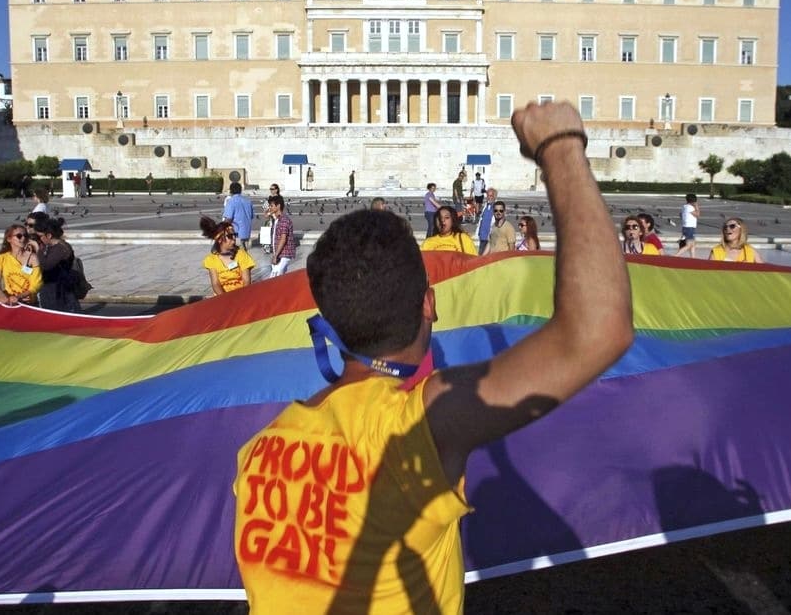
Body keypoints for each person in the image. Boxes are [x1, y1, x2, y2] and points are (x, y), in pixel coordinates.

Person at [232, 100, 633, 613]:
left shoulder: (258, 454)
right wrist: (560, 148)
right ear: (429, 303)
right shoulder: (414, 428)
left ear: (329, 321)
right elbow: (598, 330)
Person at [35, 217, 80, 312]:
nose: (39, 239)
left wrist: (38, 249)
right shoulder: (52, 247)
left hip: (60, 294)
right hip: (53, 291)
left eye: (40, 236)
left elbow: (46, 265)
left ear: (49, 235)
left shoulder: (61, 248)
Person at [200, 218, 255, 294]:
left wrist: (241, 298)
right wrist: (226, 300)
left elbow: (246, 281)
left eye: (234, 235)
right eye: (229, 236)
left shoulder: (241, 255)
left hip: (241, 295)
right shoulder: (211, 260)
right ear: (219, 239)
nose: (234, 239)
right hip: (222, 298)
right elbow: (215, 284)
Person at [0, 224, 42, 305]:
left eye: (25, 236)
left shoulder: (33, 258)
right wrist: (2, 296)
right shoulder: (0, 259)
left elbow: (36, 284)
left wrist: (19, 296)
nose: (23, 238)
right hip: (9, 300)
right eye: (19, 236)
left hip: (28, 302)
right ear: (9, 239)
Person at [267, 195, 296, 278]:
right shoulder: (277, 220)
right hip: (279, 254)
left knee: (274, 279)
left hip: (283, 254)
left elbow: (283, 239)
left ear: (278, 206)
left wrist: (276, 255)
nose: (270, 208)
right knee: (278, 279)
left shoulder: (284, 220)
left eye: (271, 206)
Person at [222, 181, 255, 248]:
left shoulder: (231, 201)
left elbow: (228, 218)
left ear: (231, 191)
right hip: (246, 233)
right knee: (244, 254)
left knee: (237, 254)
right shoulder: (248, 201)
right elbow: (251, 216)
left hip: (236, 234)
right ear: (240, 190)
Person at [675, 193, 700, 258]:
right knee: (689, 245)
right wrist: (697, 207)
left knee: (693, 244)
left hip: (686, 227)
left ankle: (693, 258)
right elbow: (697, 214)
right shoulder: (690, 207)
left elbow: (680, 215)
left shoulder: (685, 206)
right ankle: (675, 256)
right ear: (694, 201)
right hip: (689, 228)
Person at [476, 187, 498, 253]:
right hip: (482, 236)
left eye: (491, 195)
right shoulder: (486, 205)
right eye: (488, 195)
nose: (489, 197)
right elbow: (482, 220)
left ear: (495, 196)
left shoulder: (497, 207)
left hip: (490, 237)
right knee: (481, 255)